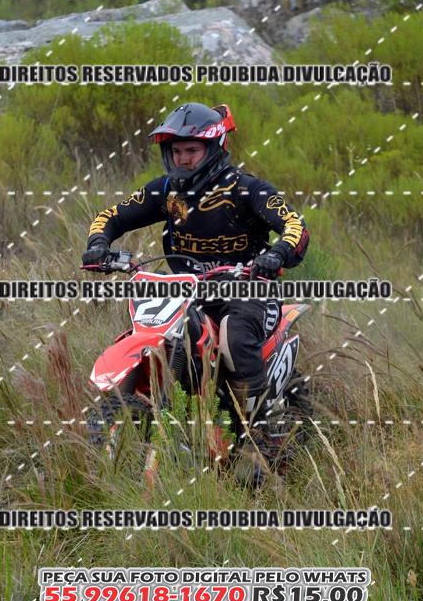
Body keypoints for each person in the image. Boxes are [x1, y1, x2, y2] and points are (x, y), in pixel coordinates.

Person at [82, 102, 309, 468]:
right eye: (177, 151)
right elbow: (113, 215)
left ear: (214, 148)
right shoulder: (166, 191)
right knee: (151, 331)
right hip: (188, 291)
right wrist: (98, 245)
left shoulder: (248, 188)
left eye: (192, 150)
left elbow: (294, 225)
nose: (183, 159)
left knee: (234, 337)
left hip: (247, 291)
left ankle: (257, 436)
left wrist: (276, 255)